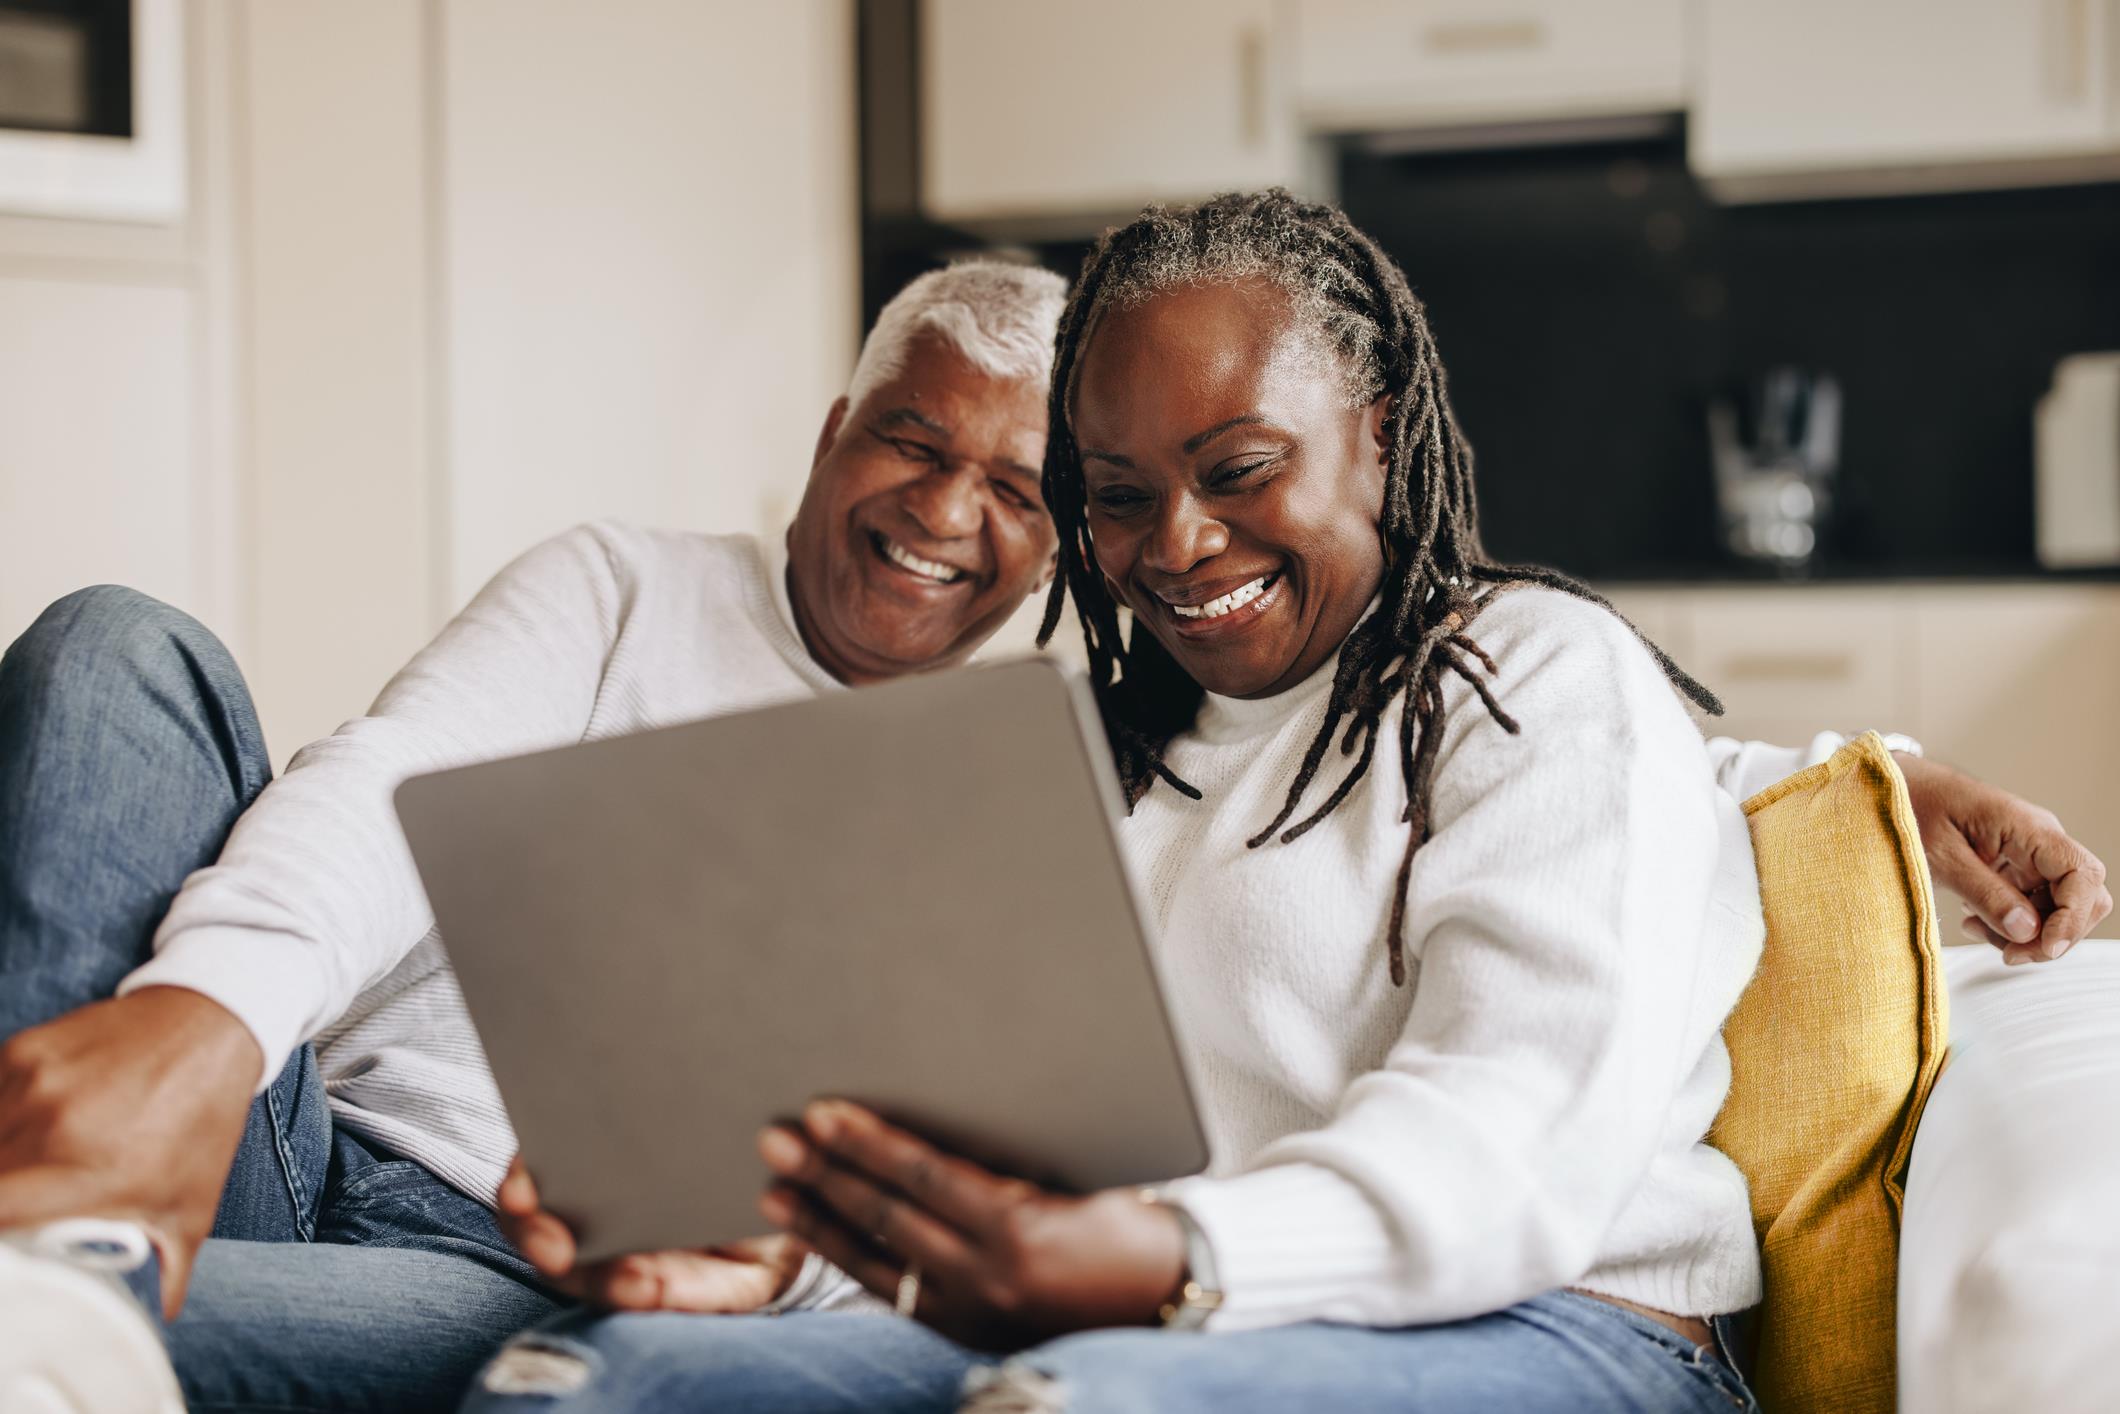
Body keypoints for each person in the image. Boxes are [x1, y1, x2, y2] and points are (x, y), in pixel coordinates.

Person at [459, 191, 2114, 1414]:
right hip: (1160, 1311)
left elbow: (1511, 1142)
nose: (1175, 542)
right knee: (586, 1376)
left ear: (1380, 436)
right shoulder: (1082, 748)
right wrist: (791, 1251)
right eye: (1116, 496)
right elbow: (986, 1157)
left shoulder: (1533, 671)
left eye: (1237, 470)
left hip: (1557, 1324)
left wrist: (1150, 1254)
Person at [0, 260, 1068, 1412]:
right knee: (120, 650)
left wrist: (757, 1262)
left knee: (56, 1322)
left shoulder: (993, 796)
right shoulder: (623, 588)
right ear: (831, 436)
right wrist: (207, 1021)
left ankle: (47, 1273)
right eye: (915, 443)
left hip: (508, 1267)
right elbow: (390, 780)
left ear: (1055, 545)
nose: (947, 512)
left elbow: (910, 1221)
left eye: (1015, 491)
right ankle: (61, 1212)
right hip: (288, 1129)